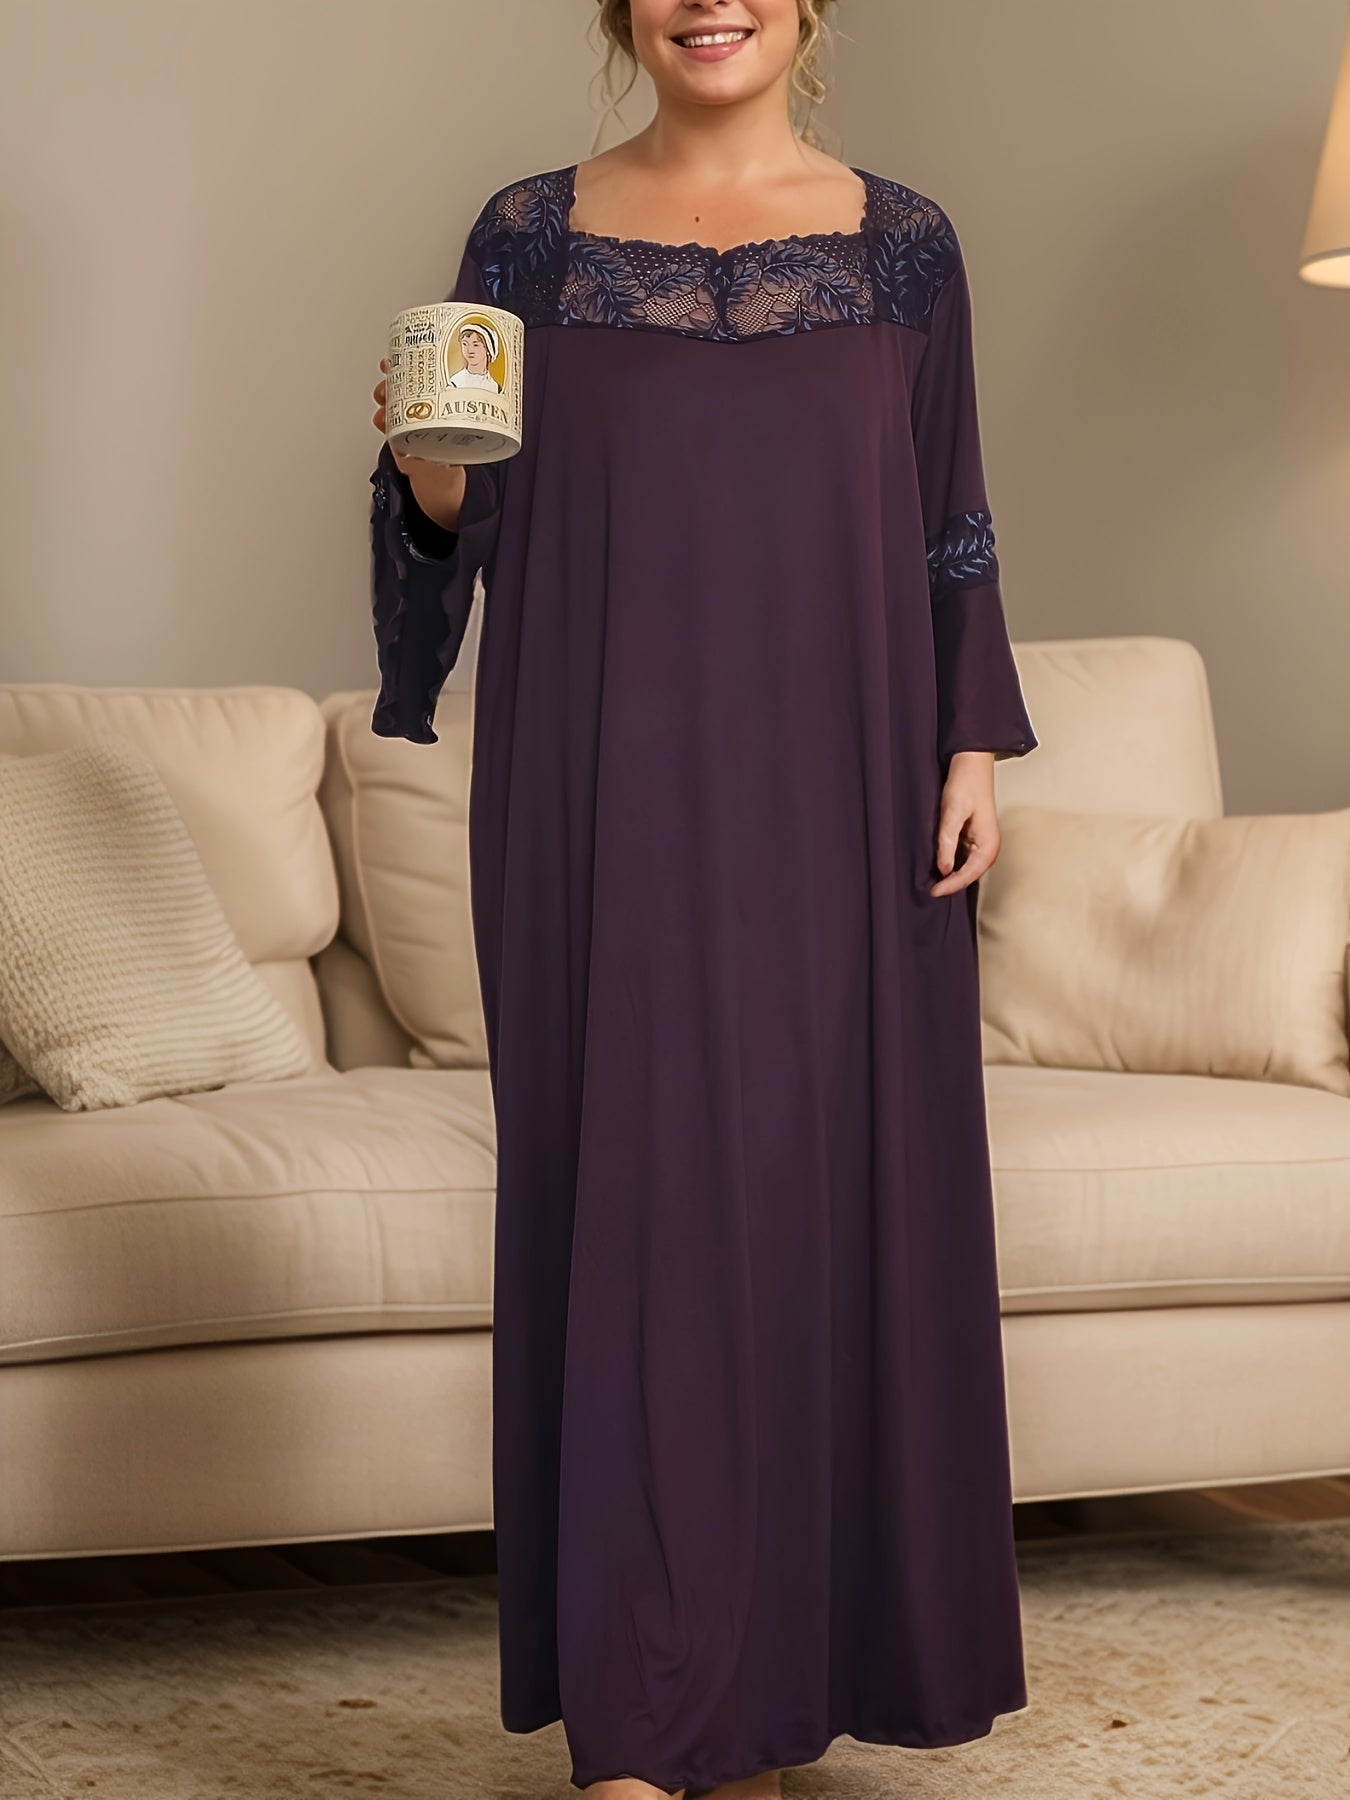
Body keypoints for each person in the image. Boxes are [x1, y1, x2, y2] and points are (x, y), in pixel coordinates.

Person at [367, 3, 1038, 1795]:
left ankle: (772, 1686)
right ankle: (644, 1713)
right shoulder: (526, 237)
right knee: (635, 1214)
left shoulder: (904, 244)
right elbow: (457, 521)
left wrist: (971, 742)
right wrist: (427, 474)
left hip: (847, 796)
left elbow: (952, 519)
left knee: (822, 1207)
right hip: (594, 794)